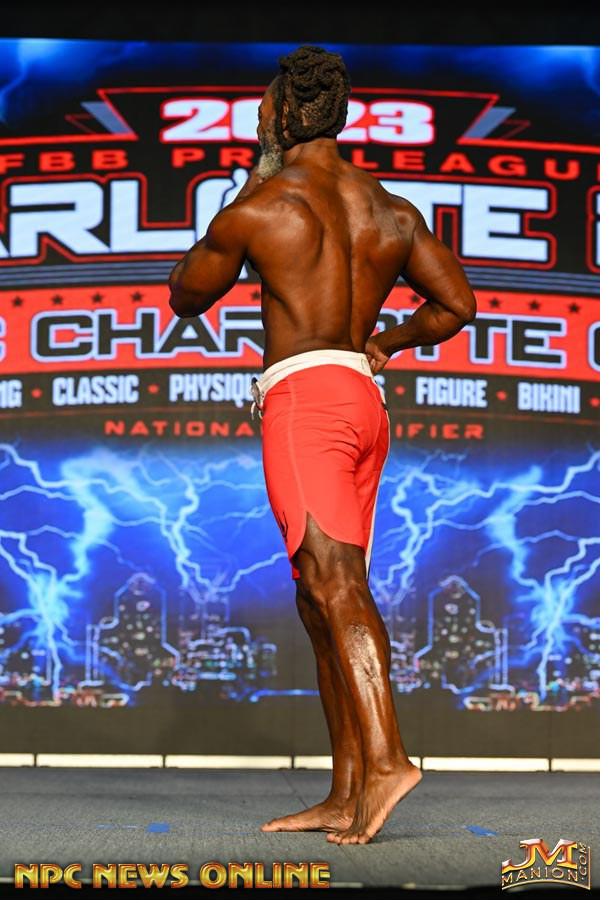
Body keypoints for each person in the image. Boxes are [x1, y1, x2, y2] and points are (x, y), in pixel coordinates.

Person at [168, 45, 476, 845]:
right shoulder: (390, 210)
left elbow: (187, 295)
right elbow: (457, 305)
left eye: (263, 112)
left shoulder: (262, 207)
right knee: (321, 595)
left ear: (279, 116)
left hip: (306, 403)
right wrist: (387, 342)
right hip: (363, 403)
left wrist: (251, 180)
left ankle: (389, 762)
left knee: (333, 585)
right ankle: (346, 792)